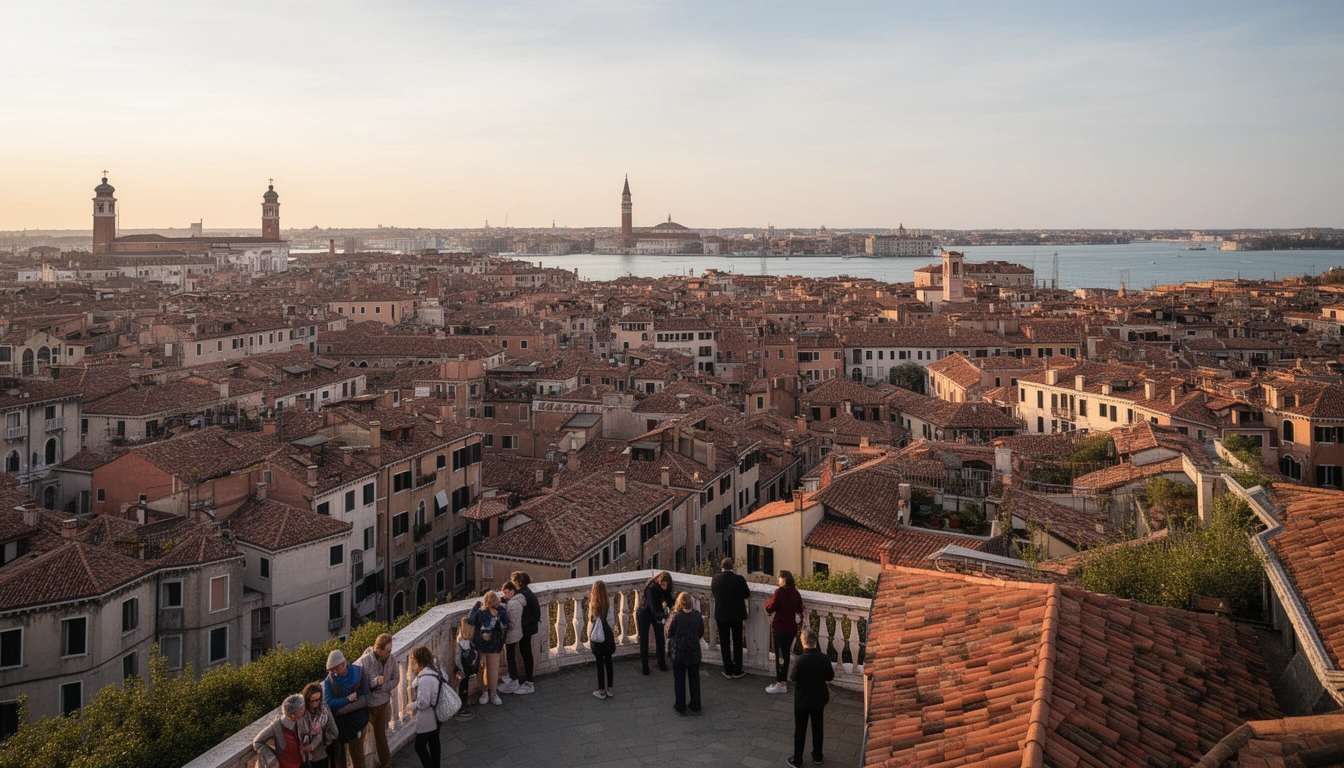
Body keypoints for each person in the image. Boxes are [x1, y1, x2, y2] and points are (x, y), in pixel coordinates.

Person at [787, 629, 834, 767]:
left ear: (803, 642)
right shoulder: (824, 658)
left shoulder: (800, 660)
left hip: (802, 699)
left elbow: (793, 677)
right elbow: (830, 676)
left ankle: (797, 760)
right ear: (815, 641)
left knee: (800, 729)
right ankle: (818, 756)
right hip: (819, 698)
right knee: (818, 728)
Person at [356, 633, 399, 768]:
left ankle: (386, 762)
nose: (390, 653)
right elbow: (359, 685)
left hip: (383, 703)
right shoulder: (365, 661)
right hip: (368, 706)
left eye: (390, 650)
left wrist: (384, 687)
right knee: (359, 739)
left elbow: (396, 679)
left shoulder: (391, 659)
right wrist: (374, 683)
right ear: (379, 650)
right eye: (388, 650)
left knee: (381, 736)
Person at [323, 649, 370, 768]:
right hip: (340, 725)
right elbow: (330, 701)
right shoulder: (329, 681)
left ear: (343, 664)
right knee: (340, 759)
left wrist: (345, 709)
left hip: (357, 721)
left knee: (358, 756)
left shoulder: (359, 672)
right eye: (331, 670)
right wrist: (347, 699)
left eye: (336, 668)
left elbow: (366, 697)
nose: (334, 672)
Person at [764, 570, 804, 695]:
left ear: (784, 579)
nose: (778, 580)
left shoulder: (779, 592)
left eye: (779, 578)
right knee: (785, 654)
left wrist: (766, 606)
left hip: (780, 628)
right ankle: (783, 682)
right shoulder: (795, 592)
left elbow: (770, 607)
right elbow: (800, 608)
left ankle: (781, 683)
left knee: (780, 656)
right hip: (791, 629)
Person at [468, 590, 511, 706]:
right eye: (491, 604)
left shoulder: (501, 610)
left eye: (495, 603)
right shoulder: (480, 611)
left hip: (495, 645)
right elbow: (470, 620)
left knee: (493, 670)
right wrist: (476, 608)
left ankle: (493, 693)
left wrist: (497, 619)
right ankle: (484, 692)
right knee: (481, 670)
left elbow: (507, 626)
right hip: (481, 645)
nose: (493, 606)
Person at [665, 591, 704, 715]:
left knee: (679, 680)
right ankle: (695, 706)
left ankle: (680, 707)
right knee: (694, 680)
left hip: (679, 653)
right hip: (694, 652)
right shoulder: (697, 615)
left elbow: (668, 633)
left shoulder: (676, 616)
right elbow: (700, 633)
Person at [711, 557, 750, 679]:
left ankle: (728, 669)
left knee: (724, 641)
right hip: (736, 615)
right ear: (732, 566)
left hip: (721, 614)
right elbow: (746, 594)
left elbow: (714, 593)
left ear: (721, 567)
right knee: (737, 641)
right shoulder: (739, 579)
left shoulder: (715, 579)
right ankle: (737, 669)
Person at [409, 646, 446, 768]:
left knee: (419, 746)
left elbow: (423, 702)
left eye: (414, 661)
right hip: (437, 711)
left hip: (428, 715)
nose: (414, 664)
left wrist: (412, 705)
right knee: (434, 741)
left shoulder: (425, 678)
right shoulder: (436, 669)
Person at [252, 693, 307, 768]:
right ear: (293, 715)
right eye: (301, 710)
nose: (303, 711)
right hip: (285, 765)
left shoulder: (299, 719)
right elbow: (257, 742)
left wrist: (306, 737)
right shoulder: (276, 726)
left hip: (301, 762)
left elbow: (304, 732)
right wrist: (271, 757)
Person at [636, 571, 674, 675]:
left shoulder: (665, 590)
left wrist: (673, 610)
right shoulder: (652, 589)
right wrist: (663, 616)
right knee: (644, 640)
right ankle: (645, 666)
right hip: (644, 614)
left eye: (666, 585)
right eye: (663, 584)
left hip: (657, 614)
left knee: (660, 638)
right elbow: (652, 608)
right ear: (659, 581)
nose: (664, 587)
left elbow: (670, 601)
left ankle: (661, 662)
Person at [297, 682, 340, 768]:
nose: (317, 702)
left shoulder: (324, 710)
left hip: (321, 752)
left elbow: (334, 731)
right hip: (304, 756)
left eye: (318, 699)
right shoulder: (301, 713)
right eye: (313, 700)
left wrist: (324, 742)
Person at [587, 579, 617, 699]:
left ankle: (601, 690)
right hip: (607, 638)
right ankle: (610, 689)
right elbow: (611, 622)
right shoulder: (608, 607)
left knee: (599, 664)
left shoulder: (592, 606)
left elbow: (591, 622)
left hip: (597, 640)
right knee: (609, 662)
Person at [512, 571, 540, 694]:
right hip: (528, 628)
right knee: (526, 652)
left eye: (513, 581)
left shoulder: (523, 595)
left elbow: (534, 614)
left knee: (526, 653)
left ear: (519, 582)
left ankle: (529, 682)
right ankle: (527, 680)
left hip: (525, 629)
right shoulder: (528, 593)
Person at [500, 581, 525, 694]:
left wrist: (503, 608)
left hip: (512, 634)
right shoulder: (516, 601)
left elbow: (510, 622)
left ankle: (514, 681)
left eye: (507, 592)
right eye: (504, 593)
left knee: (510, 658)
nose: (506, 595)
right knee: (510, 657)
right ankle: (512, 677)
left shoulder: (514, 604)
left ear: (513, 591)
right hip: (516, 633)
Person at [452, 618, 478, 721]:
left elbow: (458, 658)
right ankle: (462, 707)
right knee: (463, 687)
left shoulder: (460, 641)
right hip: (467, 668)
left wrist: (458, 668)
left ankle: (461, 707)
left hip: (462, 668)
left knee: (461, 687)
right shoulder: (470, 642)